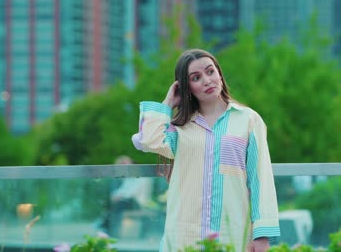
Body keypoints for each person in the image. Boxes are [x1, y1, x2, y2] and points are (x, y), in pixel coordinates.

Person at [132, 49, 280, 251]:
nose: (207, 80)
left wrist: (262, 235)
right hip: (184, 237)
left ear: (219, 73)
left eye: (210, 72)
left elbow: (261, 180)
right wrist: (168, 104)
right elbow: (148, 140)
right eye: (196, 78)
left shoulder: (249, 120)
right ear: (187, 87)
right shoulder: (179, 128)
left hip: (233, 236)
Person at [105, 155, 154, 237]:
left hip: (139, 204)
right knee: (116, 202)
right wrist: (116, 195)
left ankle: (106, 227)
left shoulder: (143, 177)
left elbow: (133, 193)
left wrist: (119, 196)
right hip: (128, 202)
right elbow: (122, 190)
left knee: (120, 203)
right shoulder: (129, 178)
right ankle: (107, 226)